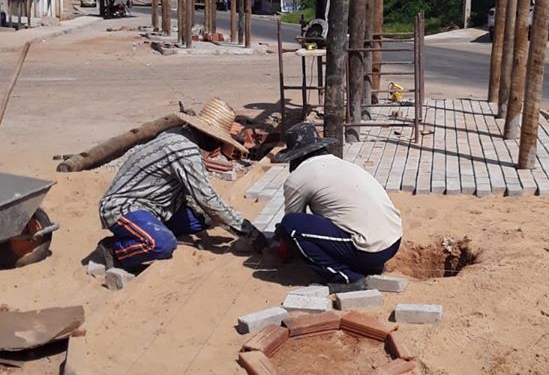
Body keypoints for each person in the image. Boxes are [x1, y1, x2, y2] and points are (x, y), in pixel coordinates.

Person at [98, 98, 263, 269]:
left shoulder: (182, 136)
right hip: (124, 206)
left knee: (204, 218)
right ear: (207, 134)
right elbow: (207, 198)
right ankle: (114, 250)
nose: (218, 146)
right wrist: (249, 232)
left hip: (158, 206)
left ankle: (153, 230)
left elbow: (199, 199)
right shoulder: (184, 150)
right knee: (162, 245)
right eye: (217, 140)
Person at [275, 123, 403, 292]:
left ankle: (346, 278)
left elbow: (293, 222)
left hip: (368, 250)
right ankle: (368, 267)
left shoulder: (298, 178)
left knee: (290, 226)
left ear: (294, 156)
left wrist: (280, 242)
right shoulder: (340, 164)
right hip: (393, 242)